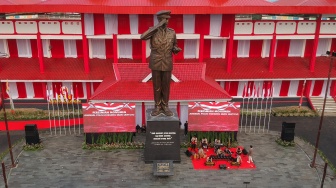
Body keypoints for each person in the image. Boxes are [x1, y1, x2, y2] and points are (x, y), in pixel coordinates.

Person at [140, 10, 182, 116]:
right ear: (159, 20)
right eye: (164, 19)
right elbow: (142, 37)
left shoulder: (172, 32)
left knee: (166, 85)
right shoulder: (153, 31)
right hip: (156, 62)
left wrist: (175, 49)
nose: (166, 21)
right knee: (157, 86)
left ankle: (165, 106)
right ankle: (157, 106)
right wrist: (157, 26)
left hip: (167, 61)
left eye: (167, 19)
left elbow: (174, 45)